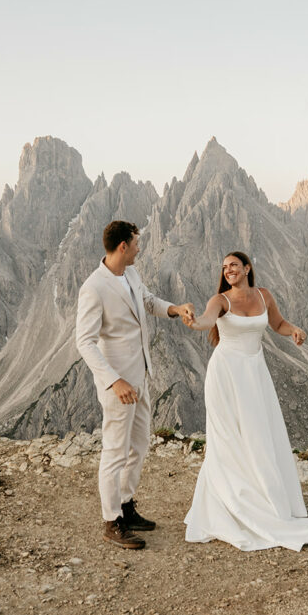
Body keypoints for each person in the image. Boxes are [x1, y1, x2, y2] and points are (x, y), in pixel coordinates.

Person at [183, 251, 308, 552]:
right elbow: (207, 321)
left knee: (259, 436)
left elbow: (278, 323)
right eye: (224, 267)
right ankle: (232, 503)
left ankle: (266, 500)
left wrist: (294, 330)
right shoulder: (221, 300)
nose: (228, 269)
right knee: (228, 440)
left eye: (233, 265)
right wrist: (193, 322)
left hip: (255, 374)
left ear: (247, 268)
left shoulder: (264, 295)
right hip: (226, 375)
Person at [76, 220, 195, 550]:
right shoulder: (94, 287)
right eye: (136, 243)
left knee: (140, 441)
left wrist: (175, 309)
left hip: (140, 374)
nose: (141, 248)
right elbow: (84, 342)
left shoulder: (130, 274)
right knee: (115, 450)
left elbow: (147, 301)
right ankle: (112, 521)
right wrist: (114, 381)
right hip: (119, 383)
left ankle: (126, 505)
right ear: (123, 247)